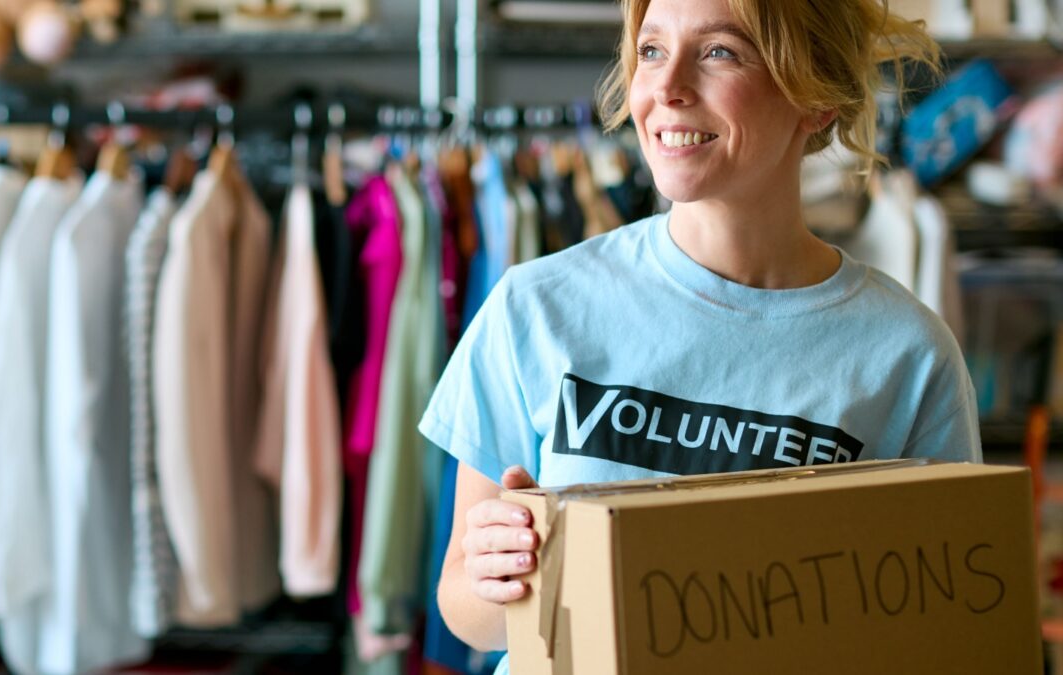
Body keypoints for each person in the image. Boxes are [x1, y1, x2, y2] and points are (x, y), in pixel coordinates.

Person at [418, 0, 982, 671]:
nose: (667, 86)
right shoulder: (535, 307)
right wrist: (505, 572)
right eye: (652, 50)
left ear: (816, 99)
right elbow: (465, 610)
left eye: (719, 52)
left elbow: (950, 632)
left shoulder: (908, 356)